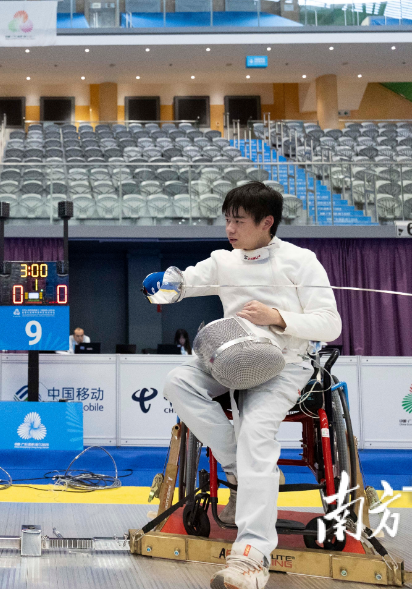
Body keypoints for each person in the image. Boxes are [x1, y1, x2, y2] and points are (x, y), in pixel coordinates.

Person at [143, 182, 341, 589]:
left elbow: (330, 324)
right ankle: (239, 471)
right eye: (227, 220)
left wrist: (278, 316)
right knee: (178, 381)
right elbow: (185, 283)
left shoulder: (302, 262)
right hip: (228, 359)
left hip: (284, 365)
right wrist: (163, 286)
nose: (229, 229)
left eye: (239, 221)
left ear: (266, 223)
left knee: (255, 431)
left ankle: (251, 556)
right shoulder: (223, 261)